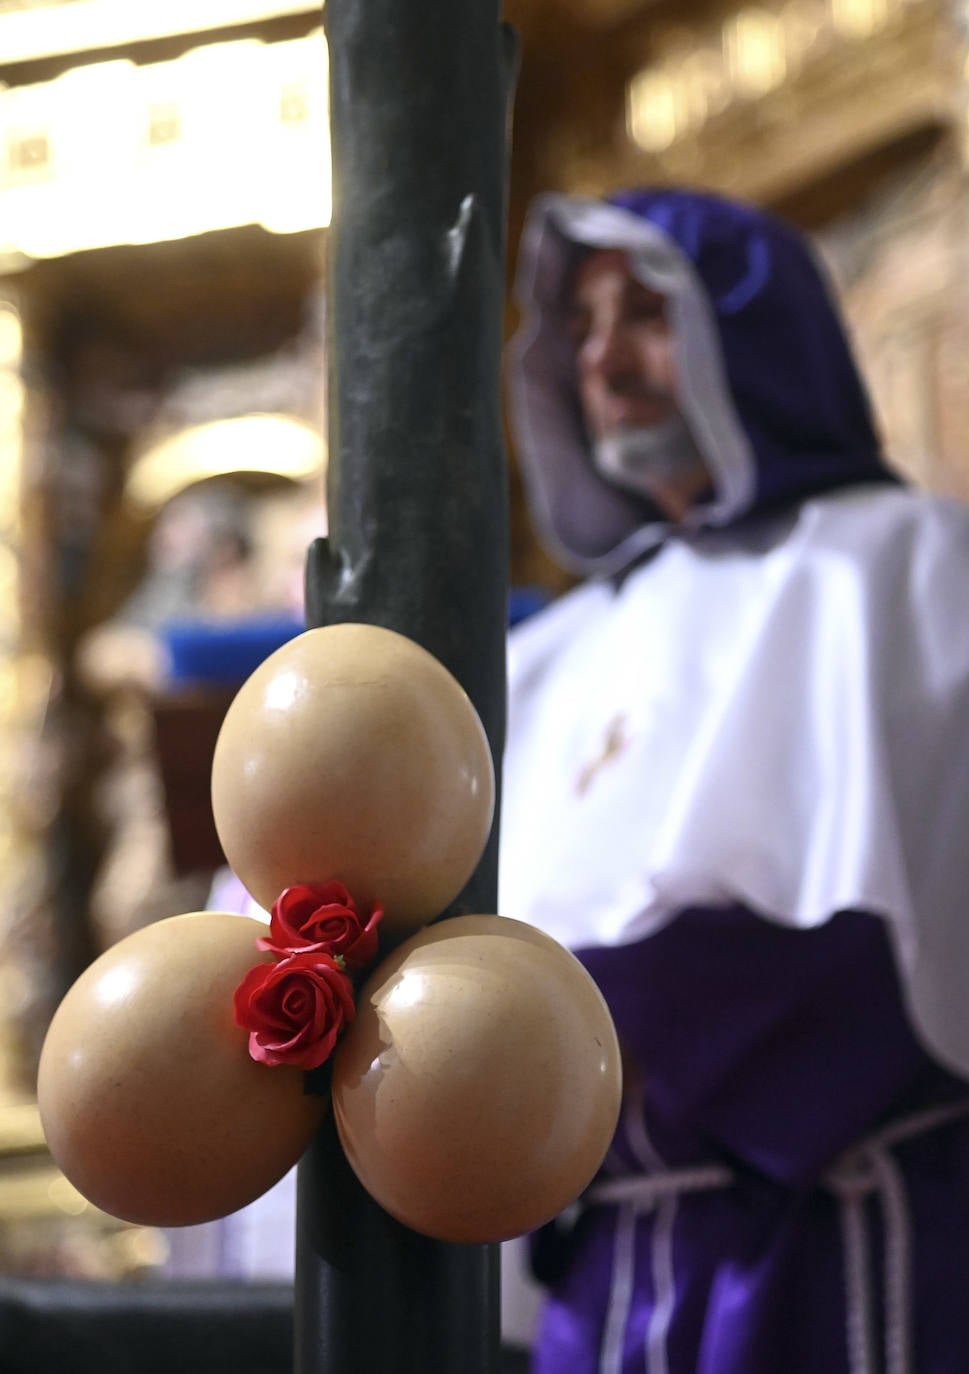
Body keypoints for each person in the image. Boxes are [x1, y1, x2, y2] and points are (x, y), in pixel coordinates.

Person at [498, 188, 969, 1374]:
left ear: (756, 330)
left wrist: (585, 1041)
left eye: (647, 312)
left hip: (830, 1243)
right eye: (583, 325)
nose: (602, 353)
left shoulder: (905, 563)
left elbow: (919, 910)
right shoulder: (552, 648)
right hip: (607, 1265)